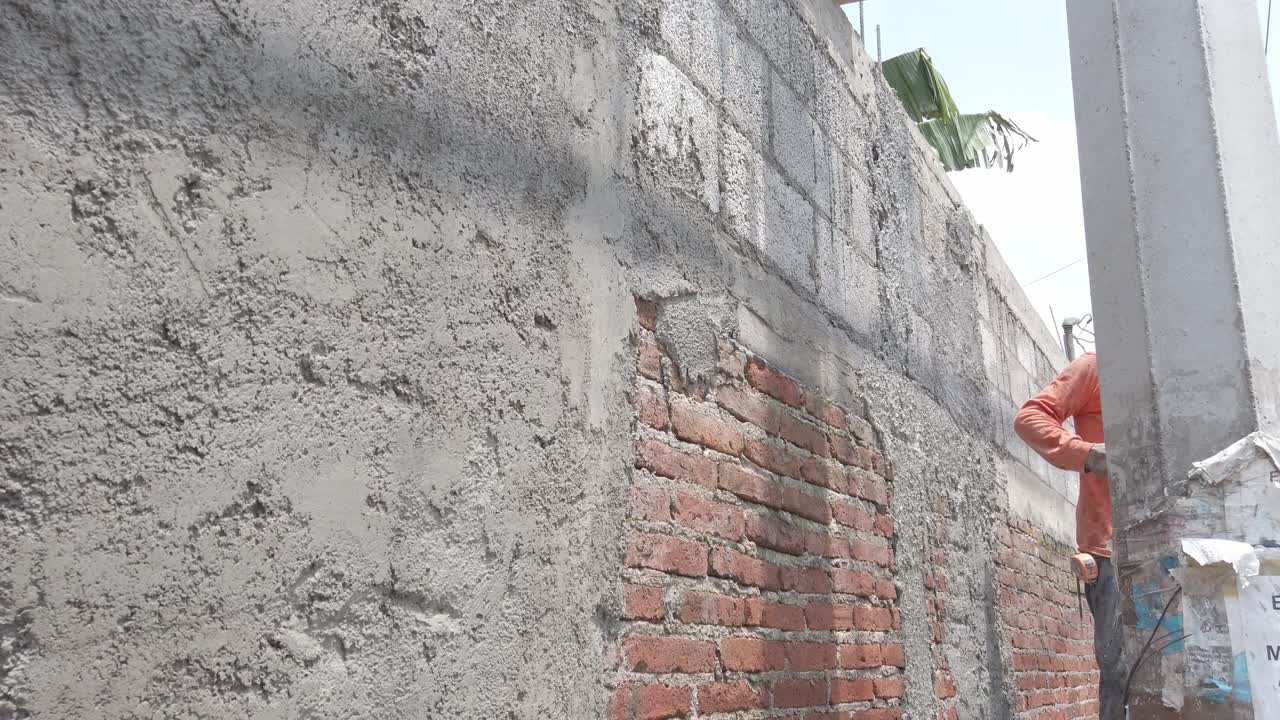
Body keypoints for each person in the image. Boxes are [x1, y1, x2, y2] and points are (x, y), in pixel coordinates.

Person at [1014, 351, 1123, 720]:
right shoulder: (1098, 366)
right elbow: (1030, 418)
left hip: (1179, 545)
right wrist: (1090, 455)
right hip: (1110, 554)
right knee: (1121, 673)